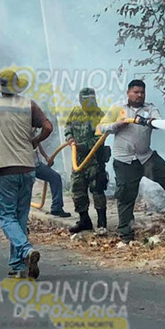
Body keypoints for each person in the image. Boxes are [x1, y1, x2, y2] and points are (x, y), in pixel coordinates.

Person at [98, 80, 165, 242]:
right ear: (128, 93)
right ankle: (126, 234)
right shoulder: (117, 108)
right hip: (125, 161)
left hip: (146, 157)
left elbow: (157, 122)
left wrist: (150, 121)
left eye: (142, 92)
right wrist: (117, 125)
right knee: (126, 196)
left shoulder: (150, 108)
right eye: (136, 92)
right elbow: (102, 127)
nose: (139, 95)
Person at [0, 68, 52, 279]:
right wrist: (35, 140)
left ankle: (26, 250)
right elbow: (48, 127)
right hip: (27, 168)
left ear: (0, 88)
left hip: (3, 168)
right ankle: (18, 264)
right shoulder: (29, 105)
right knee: (20, 217)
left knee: (5, 217)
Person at [65, 87, 110, 233]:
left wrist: (83, 146)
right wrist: (70, 138)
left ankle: (102, 223)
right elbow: (68, 127)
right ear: (80, 100)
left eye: (91, 100)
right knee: (77, 190)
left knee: (97, 190)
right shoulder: (75, 112)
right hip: (78, 160)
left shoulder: (100, 115)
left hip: (94, 160)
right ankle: (84, 221)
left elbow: (100, 138)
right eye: (85, 100)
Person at [34, 143, 71, 218]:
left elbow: (37, 143)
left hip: (36, 164)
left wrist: (46, 157)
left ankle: (56, 208)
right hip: (27, 165)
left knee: (55, 177)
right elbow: (35, 141)